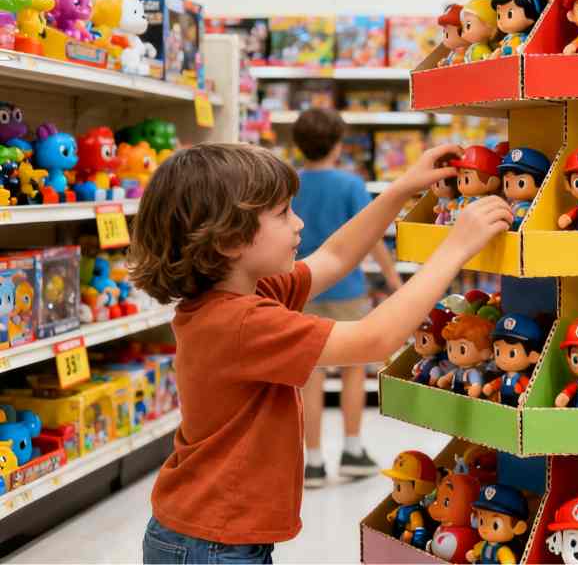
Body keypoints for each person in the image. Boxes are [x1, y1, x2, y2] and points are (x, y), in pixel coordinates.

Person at [130, 141, 511, 563]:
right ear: (230, 240)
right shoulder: (239, 322)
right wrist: (455, 249)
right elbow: (375, 339)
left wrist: (402, 189)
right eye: (282, 214)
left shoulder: (246, 291)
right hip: (210, 545)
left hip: (207, 533)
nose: (299, 223)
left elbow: (335, 255)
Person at [287, 108, 400, 486]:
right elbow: (371, 238)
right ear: (338, 144)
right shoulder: (350, 184)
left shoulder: (291, 184)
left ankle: (312, 460)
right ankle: (353, 450)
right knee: (354, 369)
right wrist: (392, 278)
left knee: (309, 375)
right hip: (348, 291)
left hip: (301, 288)